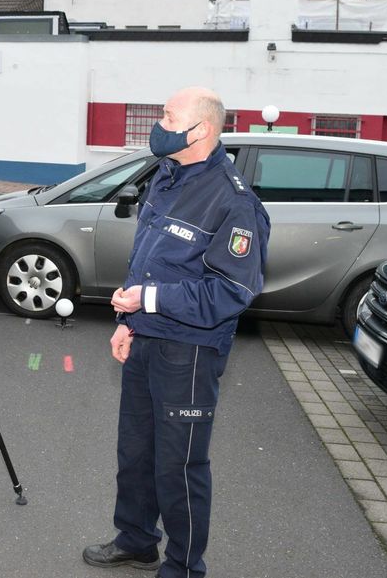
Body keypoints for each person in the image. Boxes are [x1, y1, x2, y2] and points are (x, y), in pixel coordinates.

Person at [83, 87, 270, 578]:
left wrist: (147, 302)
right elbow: (147, 260)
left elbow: (230, 293)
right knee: (136, 453)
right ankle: (137, 540)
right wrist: (129, 321)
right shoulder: (168, 177)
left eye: (168, 115)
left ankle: (184, 568)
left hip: (190, 352)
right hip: (146, 340)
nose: (159, 123)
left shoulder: (234, 202)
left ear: (201, 129)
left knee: (178, 466)